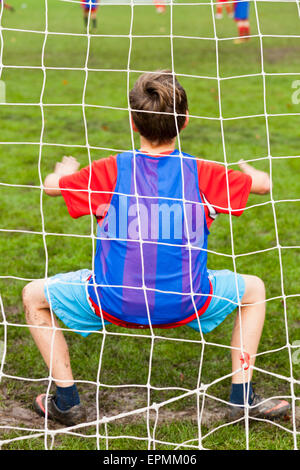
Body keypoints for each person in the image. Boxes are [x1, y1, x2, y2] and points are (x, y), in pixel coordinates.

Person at [23, 70, 290, 426]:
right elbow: (265, 185)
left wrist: (66, 170)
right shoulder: (204, 173)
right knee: (255, 289)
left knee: (32, 296)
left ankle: (67, 401)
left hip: (111, 301)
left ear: (133, 122)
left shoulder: (109, 170)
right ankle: (242, 397)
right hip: (189, 302)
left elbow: (51, 187)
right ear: (186, 121)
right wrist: (248, 172)